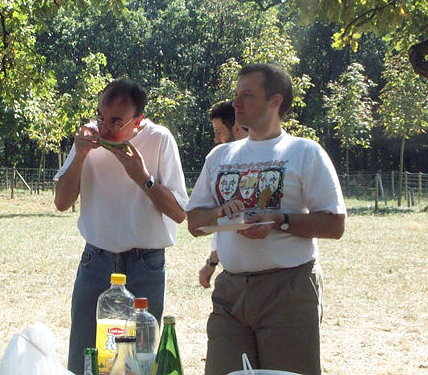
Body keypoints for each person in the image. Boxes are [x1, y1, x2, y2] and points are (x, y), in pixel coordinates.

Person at [186, 63, 346, 375]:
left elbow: (334, 224)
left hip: (288, 289)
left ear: (275, 101)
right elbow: (194, 224)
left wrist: (279, 220)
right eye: (236, 95)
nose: (236, 103)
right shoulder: (219, 157)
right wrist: (219, 212)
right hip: (231, 293)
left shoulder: (305, 152)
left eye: (247, 95)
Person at [54, 77, 189, 375]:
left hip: (145, 264)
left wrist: (143, 178)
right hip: (96, 260)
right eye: (100, 117)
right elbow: (61, 202)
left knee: (139, 361)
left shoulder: (159, 139)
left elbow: (179, 213)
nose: (104, 128)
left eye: (116, 121)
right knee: (85, 357)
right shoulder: (87, 138)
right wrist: (80, 155)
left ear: (138, 120)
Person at [198, 101, 247, 289]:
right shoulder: (220, 163)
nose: (216, 139)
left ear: (237, 129)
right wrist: (212, 263)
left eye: (219, 132)